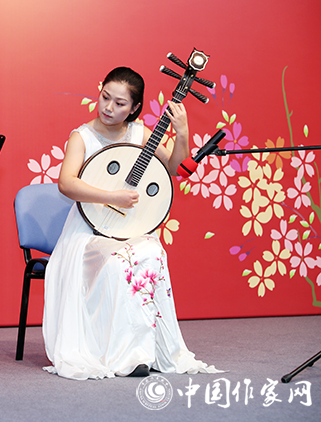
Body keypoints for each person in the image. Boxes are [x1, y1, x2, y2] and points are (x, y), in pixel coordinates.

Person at [42, 66, 220, 380]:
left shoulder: (140, 134)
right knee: (119, 262)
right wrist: (111, 196)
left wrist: (182, 132)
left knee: (153, 253)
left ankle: (142, 351)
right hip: (88, 233)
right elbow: (67, 184)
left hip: (129, 228)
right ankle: (118, 352)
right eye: (105, 97)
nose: (109, 107)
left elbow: (177, 168)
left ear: (135, 107)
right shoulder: (82, 137)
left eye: (120, 103)